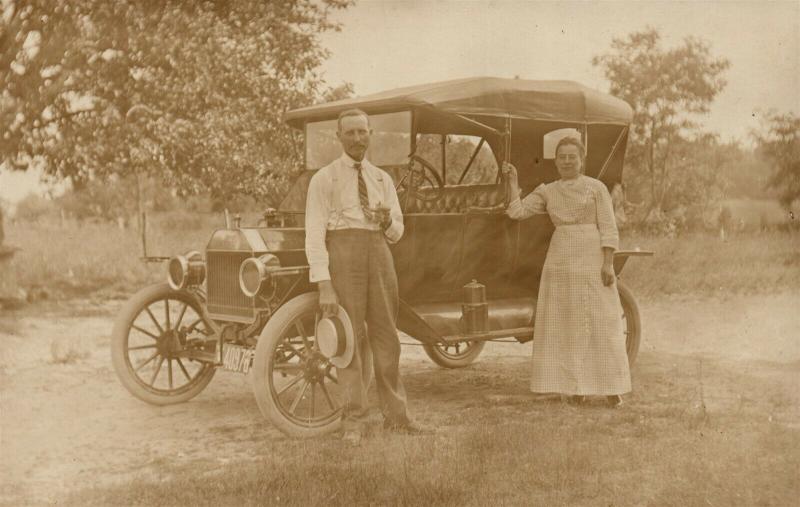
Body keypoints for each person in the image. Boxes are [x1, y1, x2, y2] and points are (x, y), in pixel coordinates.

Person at [305, 108, 426, 445]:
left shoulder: (382, 179)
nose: (357, 139)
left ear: (371, 134)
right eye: (350, 133)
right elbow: (314, 234)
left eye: (362, 132)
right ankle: (354, 421)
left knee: (387, 334)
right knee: (349, 339)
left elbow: (398, 232)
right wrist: (324, 283)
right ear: (339, 137)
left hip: (379, 254)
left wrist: (387, 221)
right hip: (343, 255)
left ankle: (398, 416)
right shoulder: (324, 179)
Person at [504, 137, 631, 407]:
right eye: (562, 156)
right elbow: (516, 211)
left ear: (581, 159)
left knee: (601, 321)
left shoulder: (596, 188)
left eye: (572, 156)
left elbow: (608, 227)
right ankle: (574, 388)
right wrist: (512, 181)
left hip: (591, 257)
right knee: (568, 323)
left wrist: (608, 262)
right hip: (561, 260)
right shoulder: (548, 191)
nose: (566, 161)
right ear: (556, 160)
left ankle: (612, 388)